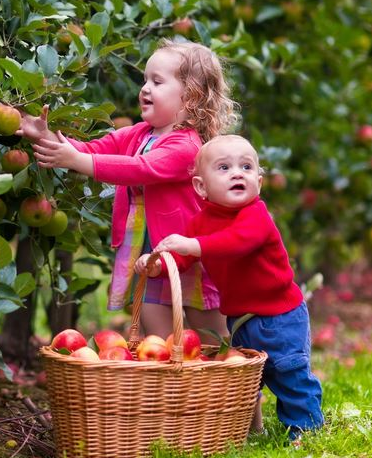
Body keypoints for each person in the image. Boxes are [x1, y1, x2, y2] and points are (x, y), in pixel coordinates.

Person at [17, 39, 239, 342]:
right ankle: (169, 387)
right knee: (158, 343)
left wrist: (78, 159)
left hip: (190, 256)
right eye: (145, 79)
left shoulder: (187, 145)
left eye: (157, 81)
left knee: (212, 337)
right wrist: (48, 139)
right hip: (147, 257)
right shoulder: (137, 134)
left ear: (191, 96)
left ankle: (236, 388)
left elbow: (141, 169)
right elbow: (90, 149)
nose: (145, 88)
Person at [136, 134, 324, 438]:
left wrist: (192, 245)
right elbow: (183, 259)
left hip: (281, 316)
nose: (237, 173)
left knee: (289, 372)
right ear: (200, 186)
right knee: (247, 377)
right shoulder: (201, 222)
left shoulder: (256, 215)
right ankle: (242, 430)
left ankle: (305, 429)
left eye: (246, 167)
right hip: (241, 320)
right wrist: (156, 264)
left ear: (259, 182)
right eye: (224, 168)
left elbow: (236, 243)